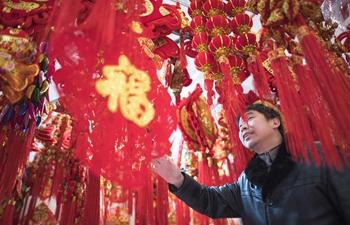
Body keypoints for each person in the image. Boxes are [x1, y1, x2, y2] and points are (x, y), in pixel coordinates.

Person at [151, 103, 350, 225]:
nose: (243, 127)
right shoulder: (246, 181)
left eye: (250, 119)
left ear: (275, 122)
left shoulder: (319, 154)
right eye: (240, 127)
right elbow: (210, 201)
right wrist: (178, 180)